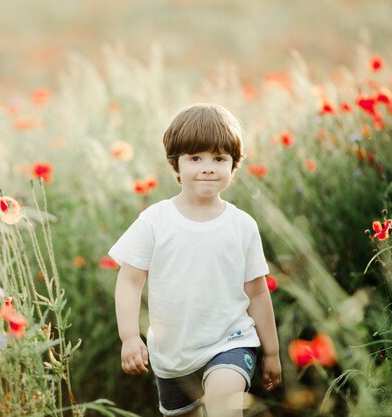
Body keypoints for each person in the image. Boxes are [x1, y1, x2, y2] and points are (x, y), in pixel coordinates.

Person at [108, 103, 282, 417]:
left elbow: (257, 291)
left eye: (219, 158)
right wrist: (130, 337)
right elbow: (130, 281)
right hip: (173, 353)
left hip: (231, 340)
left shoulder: (242, 226)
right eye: (195, 158)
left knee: (223, 404)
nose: (208, 167)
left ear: (233, 165)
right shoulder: (155, 221)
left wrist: (271, 352)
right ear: (176, 166)